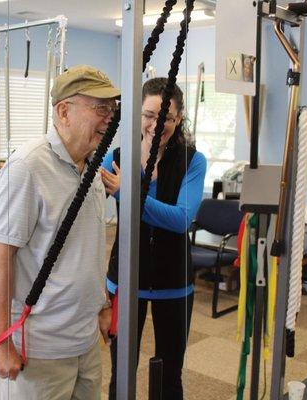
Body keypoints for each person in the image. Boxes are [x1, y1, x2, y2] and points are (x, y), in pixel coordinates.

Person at [0, 65, 120, 400]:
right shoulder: (27, 168)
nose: (110, 118)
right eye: (100, 108)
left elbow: (86, 251)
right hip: (39, 347)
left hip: (84, 342)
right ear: (64, 111)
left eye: (113, 109)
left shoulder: (92, 168)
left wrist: (102, 306)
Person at [100, 77, 207, 400]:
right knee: (121, 373)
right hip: (124, 283)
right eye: (148, 114)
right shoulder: (117, 156)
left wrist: (127, 194)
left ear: (179, 119)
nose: (156, 124)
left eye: (167, 117)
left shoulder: (192, 160)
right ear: (137, 114)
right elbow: (86, 209)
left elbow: (180, 220)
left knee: (170, 376)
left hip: (174, 284)